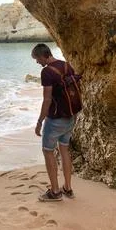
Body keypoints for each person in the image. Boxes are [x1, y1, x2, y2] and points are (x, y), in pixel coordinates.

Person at [32, 43, 76, 201]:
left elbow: (47, 100)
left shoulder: (47, 72)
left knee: (48, 151)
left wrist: (39, 121)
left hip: (56, 119)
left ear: (43, 55)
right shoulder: (66, 66)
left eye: (37, 59)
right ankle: (68, 188)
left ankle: (55, 192)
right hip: (70, 116)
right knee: (64, 150)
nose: (37, 62)